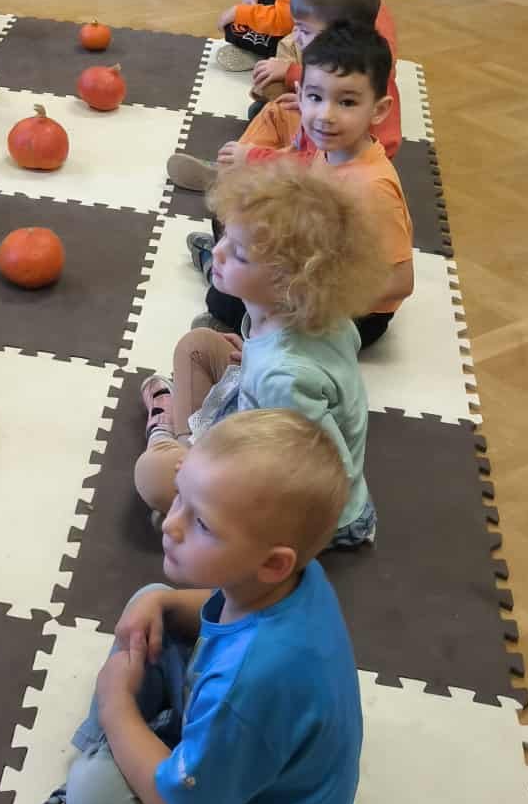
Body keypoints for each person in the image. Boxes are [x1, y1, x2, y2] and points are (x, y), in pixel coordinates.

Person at [10, 409, 364, 804]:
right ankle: (135, 754)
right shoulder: (296, 580)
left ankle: (100, 798)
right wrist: (163, 601)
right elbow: (222, 614)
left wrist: (116, 709)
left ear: (272, 563)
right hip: (244, 758)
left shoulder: (250, 684)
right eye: (179, 496)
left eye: (201, 523)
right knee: (153, 608)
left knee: (94, 798)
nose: (172, 525)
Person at [136, 158, 382, 547]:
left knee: (152, 473)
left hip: (303, 510)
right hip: (262, 423)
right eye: (224, 238)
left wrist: (203, 473)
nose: (217, 253)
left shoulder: (285, 379)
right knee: (197, 345)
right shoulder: (310, 317)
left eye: (238, 254)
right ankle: (183, 441)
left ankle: (164, 430)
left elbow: (327, 472)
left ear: (290, 285)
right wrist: (253, 358)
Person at [195, 24, 414, 347]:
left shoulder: (373, 187)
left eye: (347, 102)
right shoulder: (328, 150)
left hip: (354, 311)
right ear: (300, 95)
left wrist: (309, 293)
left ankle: (215, 264)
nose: (325, 115)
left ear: (378, 110)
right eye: (315, 97)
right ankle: (228, 259)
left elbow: (402, 281)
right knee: (231, 219)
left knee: (223, 300)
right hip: (313, 265)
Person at [167, 0, 393, 191]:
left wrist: (252, 156)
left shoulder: (350, 114)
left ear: (337, 36)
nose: (297, 37)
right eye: (317, 96)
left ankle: (237, 178)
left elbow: (313, 163)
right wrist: (306, 102)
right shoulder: (347, 68)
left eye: (304, 31)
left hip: (331, 184)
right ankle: (232, 173)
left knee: (275, 174)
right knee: (279, 110)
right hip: (317, 153)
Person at [250, 0, 400, 151]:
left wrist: (292, 76)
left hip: (333, 146)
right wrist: (311, 102)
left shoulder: (363, 57)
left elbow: (342, 88)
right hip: (333, 130)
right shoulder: (357, 10)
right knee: (272, 111)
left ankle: (238, 165)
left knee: (271, 113)